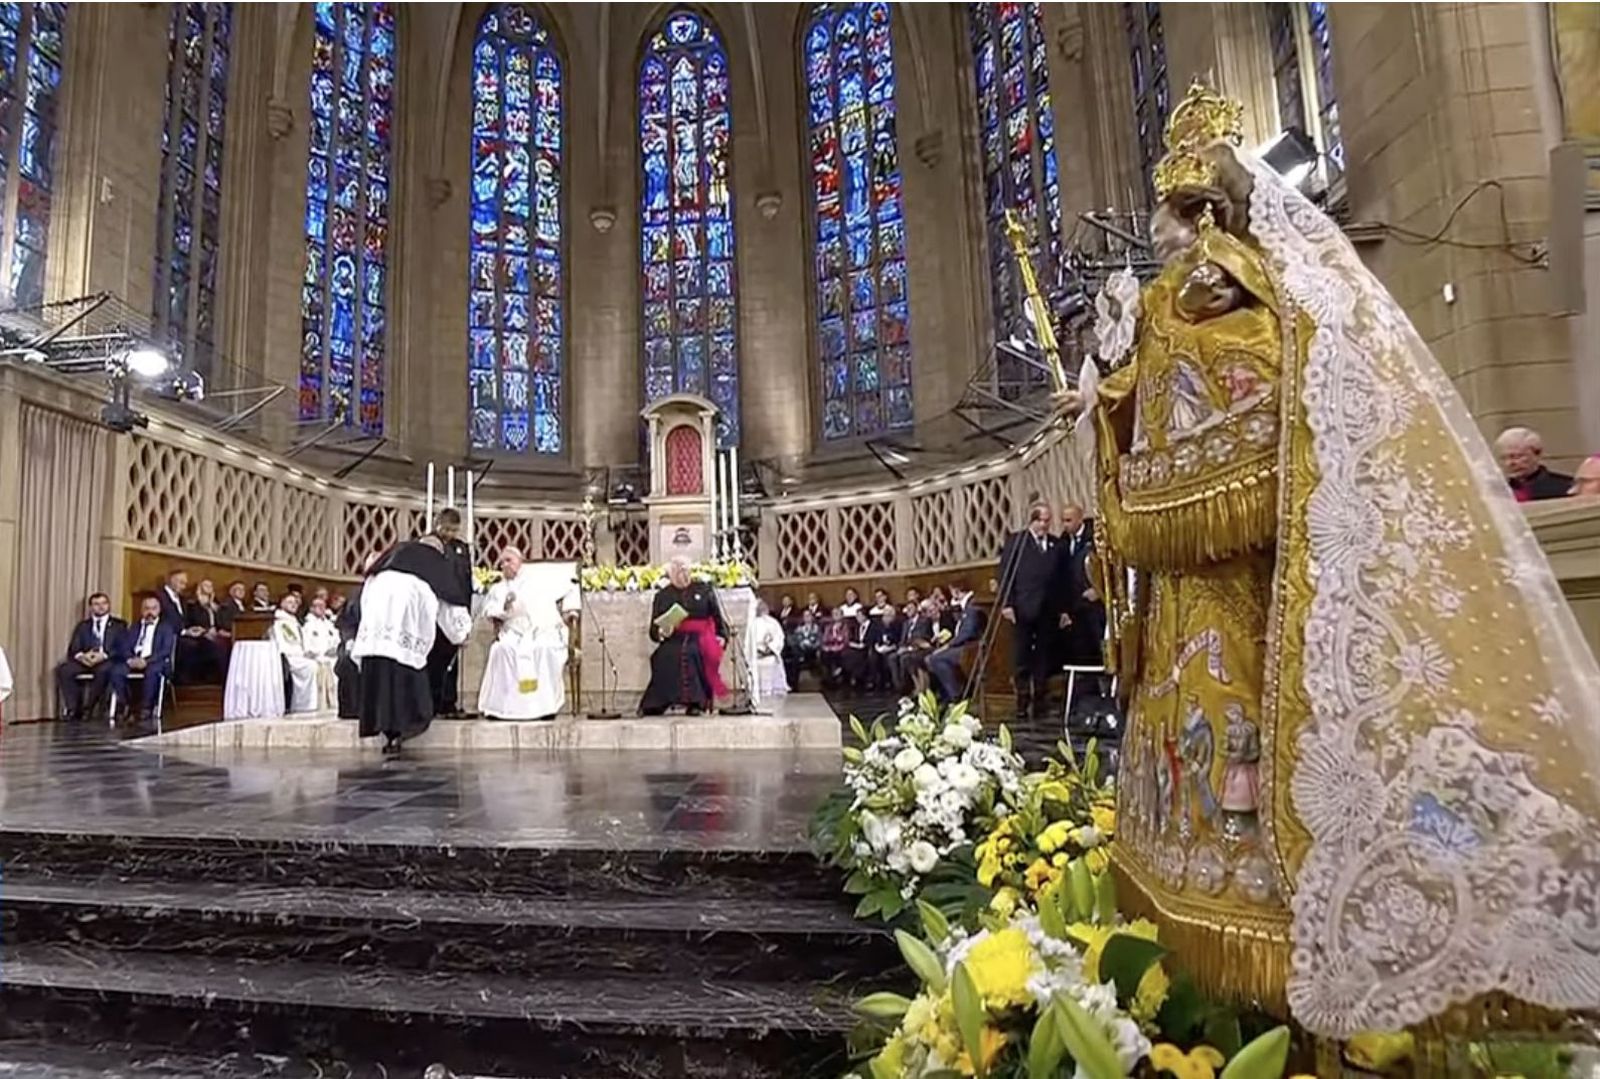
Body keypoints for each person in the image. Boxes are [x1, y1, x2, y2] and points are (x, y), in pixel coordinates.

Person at [1059, 81, 1600, 1034]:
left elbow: (1222, 438)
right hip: (1195, 602)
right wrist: (1105, 404)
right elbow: (1145, 402)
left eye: (1171, 215)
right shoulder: (1214, 305)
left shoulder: (1221, 301)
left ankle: (1277, 1001)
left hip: (1237, 596)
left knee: (1250, 784)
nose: (1161, 235)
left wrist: (1139, 443)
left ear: (1201, 213)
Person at [352, 534, 473, 754]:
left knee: (381, 678)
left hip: (374, 636)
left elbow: (363, 599)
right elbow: (449, 602)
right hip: (404, 633)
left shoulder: (390, 558)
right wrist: (461, 632)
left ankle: (383, 729)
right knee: (402, 678)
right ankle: (402, 730)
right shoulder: (434, 563)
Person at [477, 546, 578, 721]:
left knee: (544, 649)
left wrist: (571, 610)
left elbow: (571, 585)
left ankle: (544, 707)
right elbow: (490, 611)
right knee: (502, 650)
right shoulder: (498, 589)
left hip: (541, 630)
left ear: (520, 562)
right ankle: (504, 708)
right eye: (502, 562)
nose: (504, 565)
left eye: (509, 560)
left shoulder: (539, 581)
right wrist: (505, 607)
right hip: (513, 633)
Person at [639, 556, 728, 715]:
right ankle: (659, 702)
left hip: (700, 637)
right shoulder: (662, 595)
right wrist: (660, 632)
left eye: (684, 569)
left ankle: (696, 702)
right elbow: (653, 630)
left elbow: (717, 617)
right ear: (670, 574)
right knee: (663, 655)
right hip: (674, 637)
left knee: (693, 652)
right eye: (677, 570)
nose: (682, 573)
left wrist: (722, 635)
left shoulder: (704, 589)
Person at [997, 501, 1060, 719]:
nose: (1045, 525)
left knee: (1044, 654)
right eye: (1041, 520)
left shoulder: (1055, 543)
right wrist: (1007, 604)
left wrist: (1062, 610)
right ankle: (1022, 701)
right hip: (1023, 608)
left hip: (1048, 608)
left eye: (1047, 520)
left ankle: (1040, 699)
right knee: (1022, 655)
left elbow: (1062, 579)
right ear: (1032, 520)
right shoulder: (1017, 541)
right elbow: (1005, 574)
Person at [424, 509, 473, 716]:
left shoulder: (461, 548)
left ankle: (448, 701)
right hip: (435, 611)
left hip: (457, 608)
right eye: (447, 529)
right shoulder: (428, 545)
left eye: (454, 530)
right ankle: (431, 702)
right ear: (438, 524)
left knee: (452, 660)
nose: (450, 534)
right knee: (433, 659)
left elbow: (466, 577)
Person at [56, 592, 127, 721]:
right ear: (90, 607)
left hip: (106, 660)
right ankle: (73, 708)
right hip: (85, 661)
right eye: (96, 604)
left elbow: (121, 648)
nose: (100, 607)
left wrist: (103, 655)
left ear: (108, 606)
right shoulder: (83, 626)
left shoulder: (119, 625)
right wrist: (82, 656)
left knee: (103, 671)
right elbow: (74, 648)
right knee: (64, 670)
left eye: (103, 604)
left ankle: (88, 708)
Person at [1055, 503, 1105, 670]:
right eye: (1063, 521)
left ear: (1080, 518)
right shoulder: (1062, 542)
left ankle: (1105, 689)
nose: (1065, 524)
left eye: (1069, 520)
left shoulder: (1096, 538)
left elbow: (1108, 566)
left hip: (1095, 606)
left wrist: (1100, 589)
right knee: (1080, 652)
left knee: (1100, 648)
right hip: (1074, 607)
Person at [110, 596, 177, 722]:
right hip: (133, 660)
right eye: (146, 609)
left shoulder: (166, 628)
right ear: (141, 610)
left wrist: (146, 661)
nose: (150, 612)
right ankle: (125, 703)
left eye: (153, 608)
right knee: (116, 671)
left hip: (155, 661)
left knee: (152, 671)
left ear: (159, 610)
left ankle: (146, 707)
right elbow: (124, 646)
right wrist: (130, 659)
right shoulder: (133, 627)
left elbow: (165, 650)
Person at [925, 581, 985, 702]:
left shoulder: (972, 605)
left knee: (936, 658)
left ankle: (956, 694)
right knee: (932, 657)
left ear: (957, 591)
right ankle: (951, 692)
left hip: (971, 647)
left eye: (952, 592)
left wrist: (948, 645)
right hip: (965, 645)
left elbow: (968, 632)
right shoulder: (966, 605)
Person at [1495, 426, 1572, 501]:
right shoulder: (1498, 493)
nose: (1509, 463)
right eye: (1503, 458)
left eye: (1516, 456)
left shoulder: (1567, 487)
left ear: (1538, 454)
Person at [271, 593, 318, 714]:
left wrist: (307, 651)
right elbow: (284, 643)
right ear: (282, 604)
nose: (294, 605)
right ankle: (302, 704)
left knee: (314, 663)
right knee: (310, 666)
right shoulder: (279, 621)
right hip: (288, 656)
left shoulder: (294, 621)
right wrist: (300, 654)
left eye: (295, 603)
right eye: (290, 602)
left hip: (299, 654)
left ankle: (308, 703)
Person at [179, 578, 226, 684]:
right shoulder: (193, 604)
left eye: (211, 586)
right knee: (216, 648)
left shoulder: (216, 605)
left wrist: (213, 607)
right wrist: (206, 631)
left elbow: (220, 623)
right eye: (206, 585)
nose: (209, 588)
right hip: (200, 635)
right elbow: (193, 621)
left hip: (216, 634)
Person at [301, 595, 342, 711]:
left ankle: (335, 702)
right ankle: (320, 703)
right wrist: (315, 653)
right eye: (317, 606)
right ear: (311, 608)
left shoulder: (329, 624)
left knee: (337, 665)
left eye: (323, 606)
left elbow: (336, 639)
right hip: (316, 656)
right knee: (320, 666)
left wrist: (335, 648)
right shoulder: (307, 625)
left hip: (330, 656)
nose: (321, 609)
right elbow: (306, 644)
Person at [749, 600, 790, 701]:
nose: (760, 608)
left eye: (762, 606)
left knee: (770, 663)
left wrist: (769, 649)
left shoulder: (772, 622)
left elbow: (779, 638)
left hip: (769, 654)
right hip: (754, 655)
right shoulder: (750, 623)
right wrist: (755, 651)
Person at [865, 603, 903, 691]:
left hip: (892, 647)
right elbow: (872, 637)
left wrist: (890, 646)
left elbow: (899, 639)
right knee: (872, 656)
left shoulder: (898, 625)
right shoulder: (877, 624)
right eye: (885, 615)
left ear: (894, 616)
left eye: (890, 615)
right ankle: (874, 681)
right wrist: (877, 645)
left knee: (888, 657)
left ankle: (887, 681)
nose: (887, 617)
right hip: (879, 647)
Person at [786, 608, 822, 689]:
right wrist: (800, 643)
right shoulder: (799, 628)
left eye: (808, 615)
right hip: (800, 649)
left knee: (799, 654)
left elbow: (819, 641)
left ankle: (800, 658)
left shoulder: (816, 628)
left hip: (811, 650)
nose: (807, 617)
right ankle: (792, 682)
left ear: (812, 617)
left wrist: (811, 645)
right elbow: (794, 639)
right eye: (805, 616)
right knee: (793, 656)